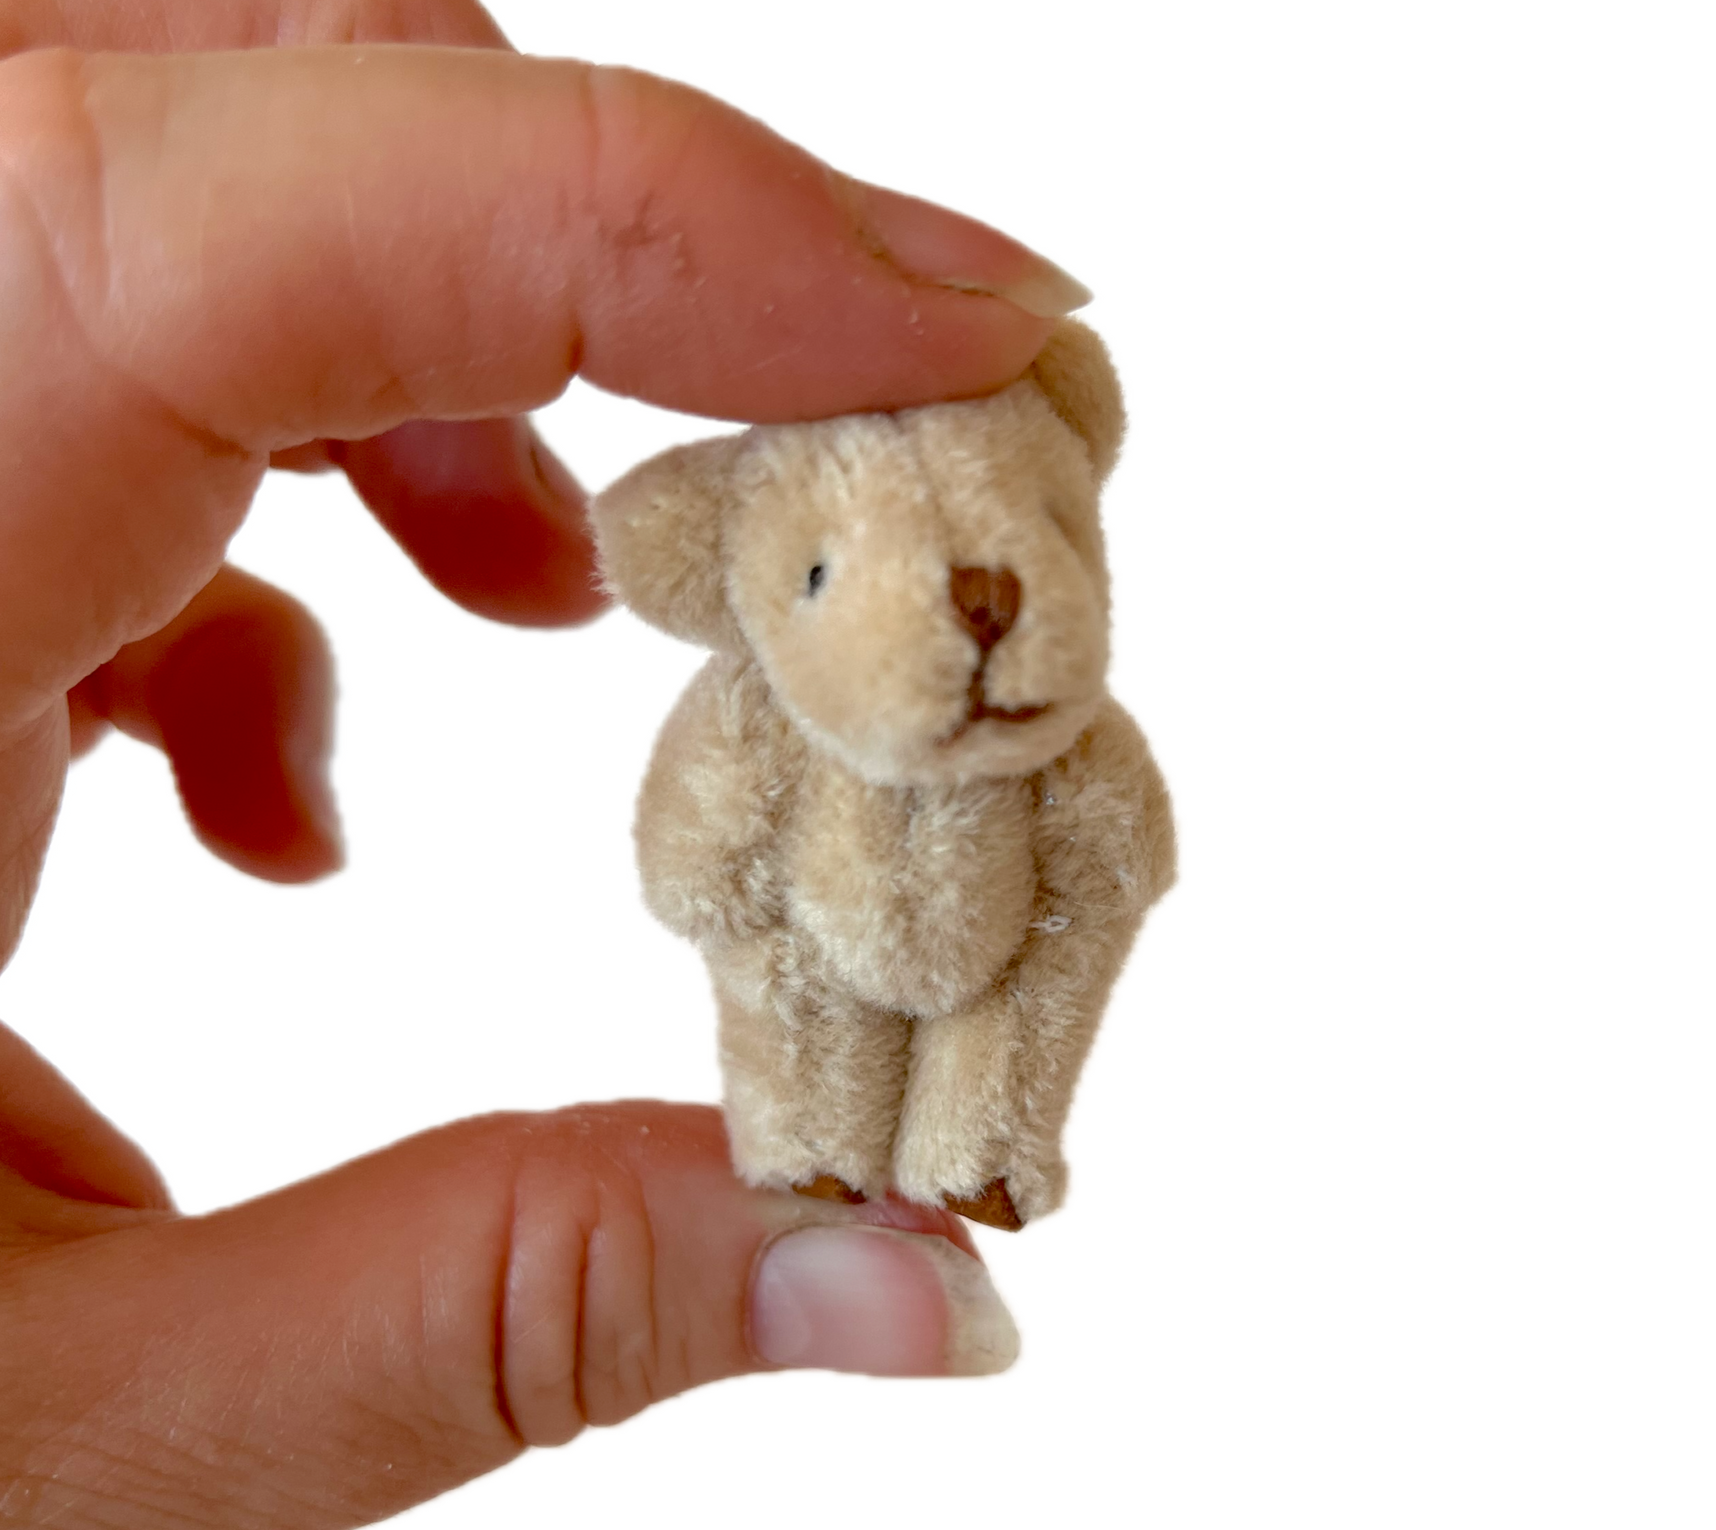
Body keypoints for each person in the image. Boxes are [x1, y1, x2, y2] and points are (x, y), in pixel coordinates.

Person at [0, 5, 1100, 1521]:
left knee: (1004, 1040)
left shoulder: (1082, 758)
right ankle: (818, 1146)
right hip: (812, 961)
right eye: (827, 583)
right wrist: (726, 905)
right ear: (716, 571)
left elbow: (1121, 870)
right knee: (789, 1032)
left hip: (990, 978)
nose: (978, 613)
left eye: (1043, 535)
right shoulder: (758, 719)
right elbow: (692, 863)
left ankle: (976, 1137)